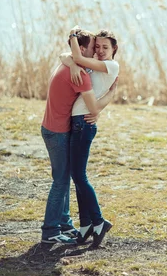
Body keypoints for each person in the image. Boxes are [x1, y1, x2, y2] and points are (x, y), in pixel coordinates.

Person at [40, 28, 115, 245]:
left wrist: (73, 60)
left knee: (63, 179)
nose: (96, 52)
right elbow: (92, 108)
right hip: (58, 132)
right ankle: (50, 231)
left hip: (52, 128)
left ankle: (64, 224)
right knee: (62, 181)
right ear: (81, 49)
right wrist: (111, 94)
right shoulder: (80, 74)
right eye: (93, 47)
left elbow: (66, 56)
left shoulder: (69, 66)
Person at [60, 28, 120, 248]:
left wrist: (73, 37)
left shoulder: (111, 66)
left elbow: (74, 56)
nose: (100, 51)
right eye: (97, 47)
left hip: (83, 125)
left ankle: (98, 220)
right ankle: (85, 226)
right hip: (79, 122)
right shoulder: (93, 65)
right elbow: (65, 57)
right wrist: (75, 63)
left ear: (114, 49)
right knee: (77, 177)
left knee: (80, 176)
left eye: (105, 47)